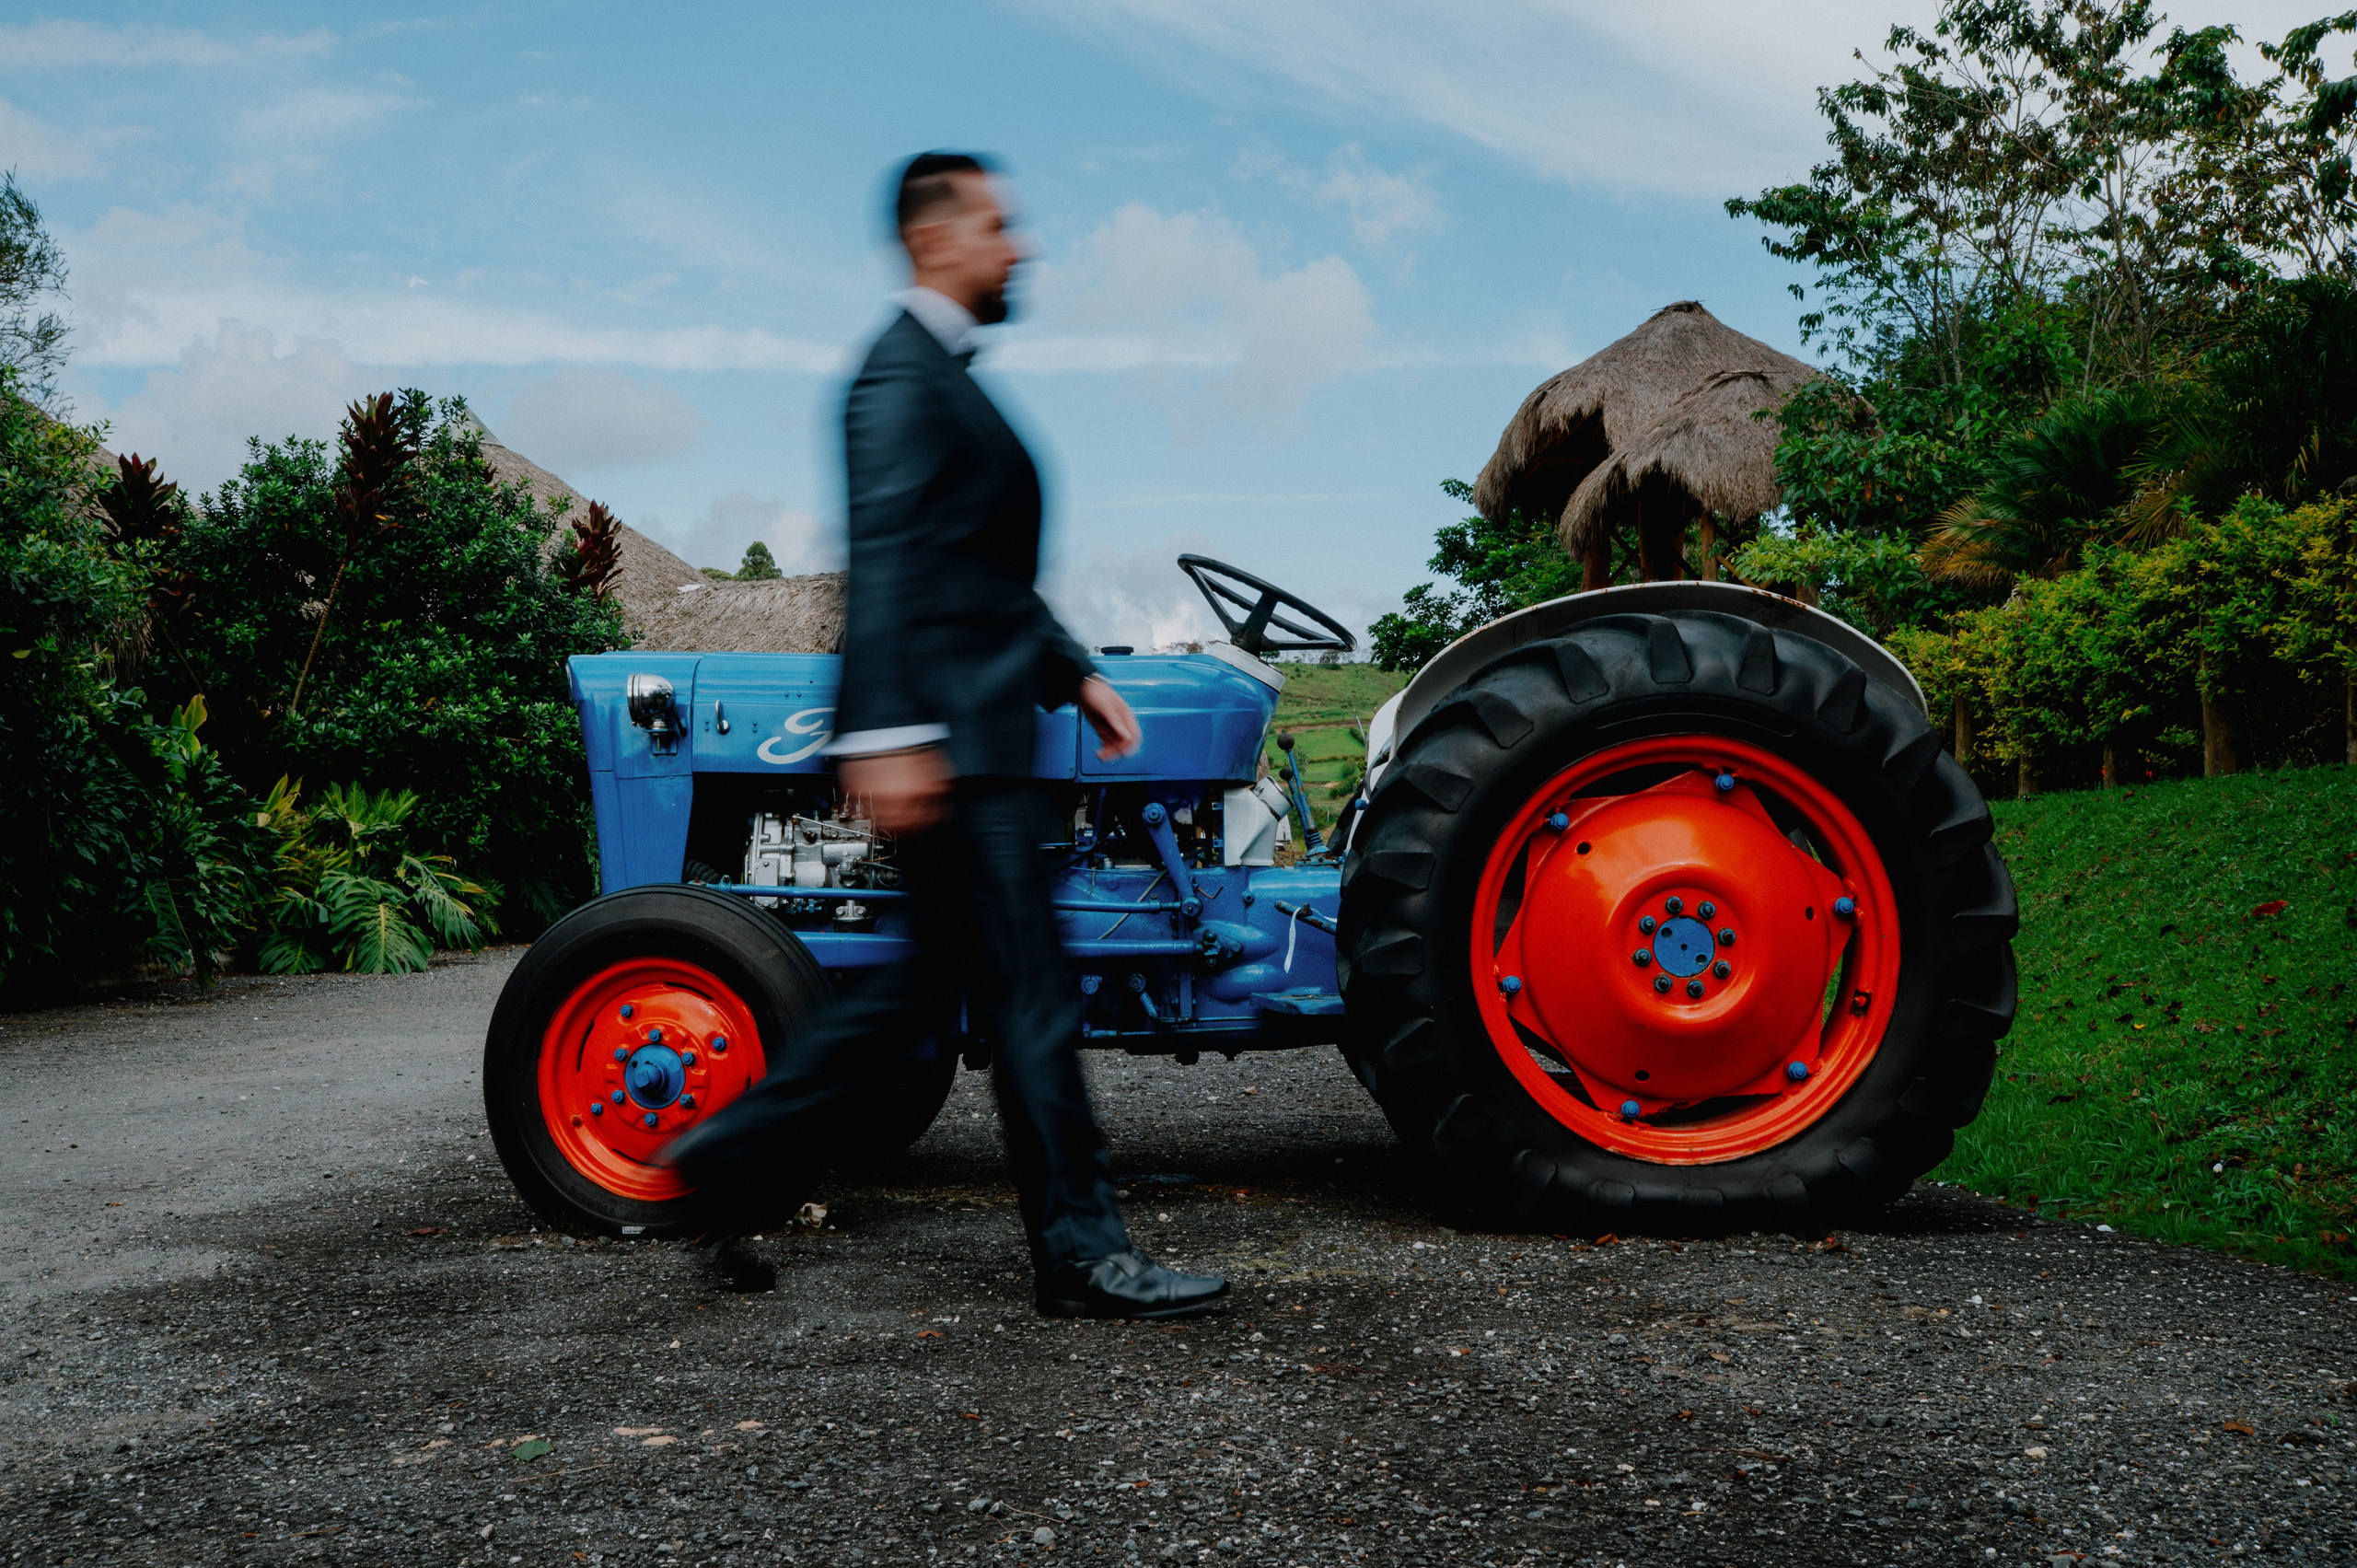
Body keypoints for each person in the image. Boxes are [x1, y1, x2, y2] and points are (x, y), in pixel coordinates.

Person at [664, 152, 1229, 1321]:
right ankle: (1079, 1251)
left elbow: (977, 574)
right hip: (955, 755)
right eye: (997, 227)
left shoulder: (942, 378)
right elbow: (890, 565)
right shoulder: (898, 380)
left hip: (980, 739)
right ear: (935, 240)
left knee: (917, 999)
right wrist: (890, 731)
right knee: (1025, 996)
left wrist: (1075, 671)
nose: (1017, 248)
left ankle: (724, 1157)